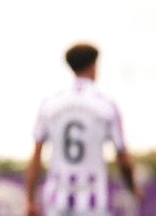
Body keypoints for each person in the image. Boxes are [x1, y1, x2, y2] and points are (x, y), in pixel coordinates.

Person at [25, 43, 142, 216]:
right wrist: (133, 187)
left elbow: (36, 158)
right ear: (94, 66)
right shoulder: (106, 105)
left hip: (56, 199)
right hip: (92, 199)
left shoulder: (50, 104)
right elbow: (123, 157)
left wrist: (30, 200)